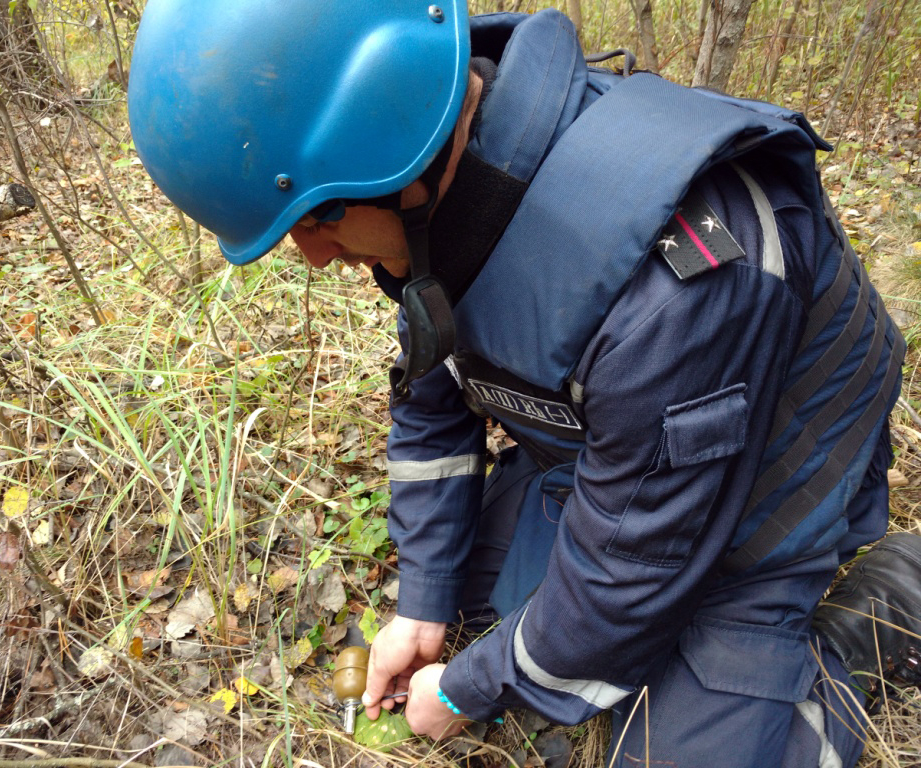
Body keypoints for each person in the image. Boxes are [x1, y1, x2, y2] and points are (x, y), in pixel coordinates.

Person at [127, 2, 921, 764]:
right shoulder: (450, 197)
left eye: (319, 219)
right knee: (472, 592)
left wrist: (468, 689)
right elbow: (432, 408)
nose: (315, 257)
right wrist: (424, 602)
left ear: (391, 152)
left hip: (767, 483)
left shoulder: (674, 285)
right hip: (627, 459)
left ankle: (871, 621)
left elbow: (632, 572)